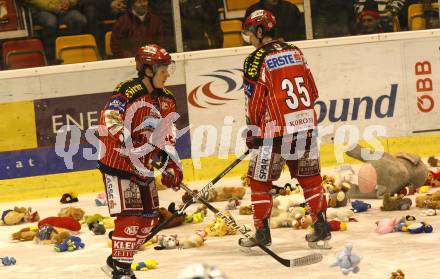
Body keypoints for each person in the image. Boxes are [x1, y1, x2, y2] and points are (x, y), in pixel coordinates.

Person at [239, 10, 331, 250]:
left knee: (260, 181)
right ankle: (322, 230)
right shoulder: (296, 52)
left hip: (274, 132)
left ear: (260, 32)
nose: (249, 39)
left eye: (250, 34)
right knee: (311, 180)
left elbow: (255, 102)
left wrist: (252, 130)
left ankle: (262, 234)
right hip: (305, 126)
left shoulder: (255, 59)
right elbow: (313, 91)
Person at [97, 44, 183, 278]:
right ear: (147, 70)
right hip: (118, 163)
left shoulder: (167, 98)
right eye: (162, 69)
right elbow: (110, 117)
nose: (167, 74)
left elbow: (166, 133)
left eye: (168, 69)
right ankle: (122, 271)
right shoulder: (128, 90)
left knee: (149, 219)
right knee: (131, 217)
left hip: (143, 166)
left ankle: (114, 261)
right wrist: (126, 138)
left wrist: (171, 163)